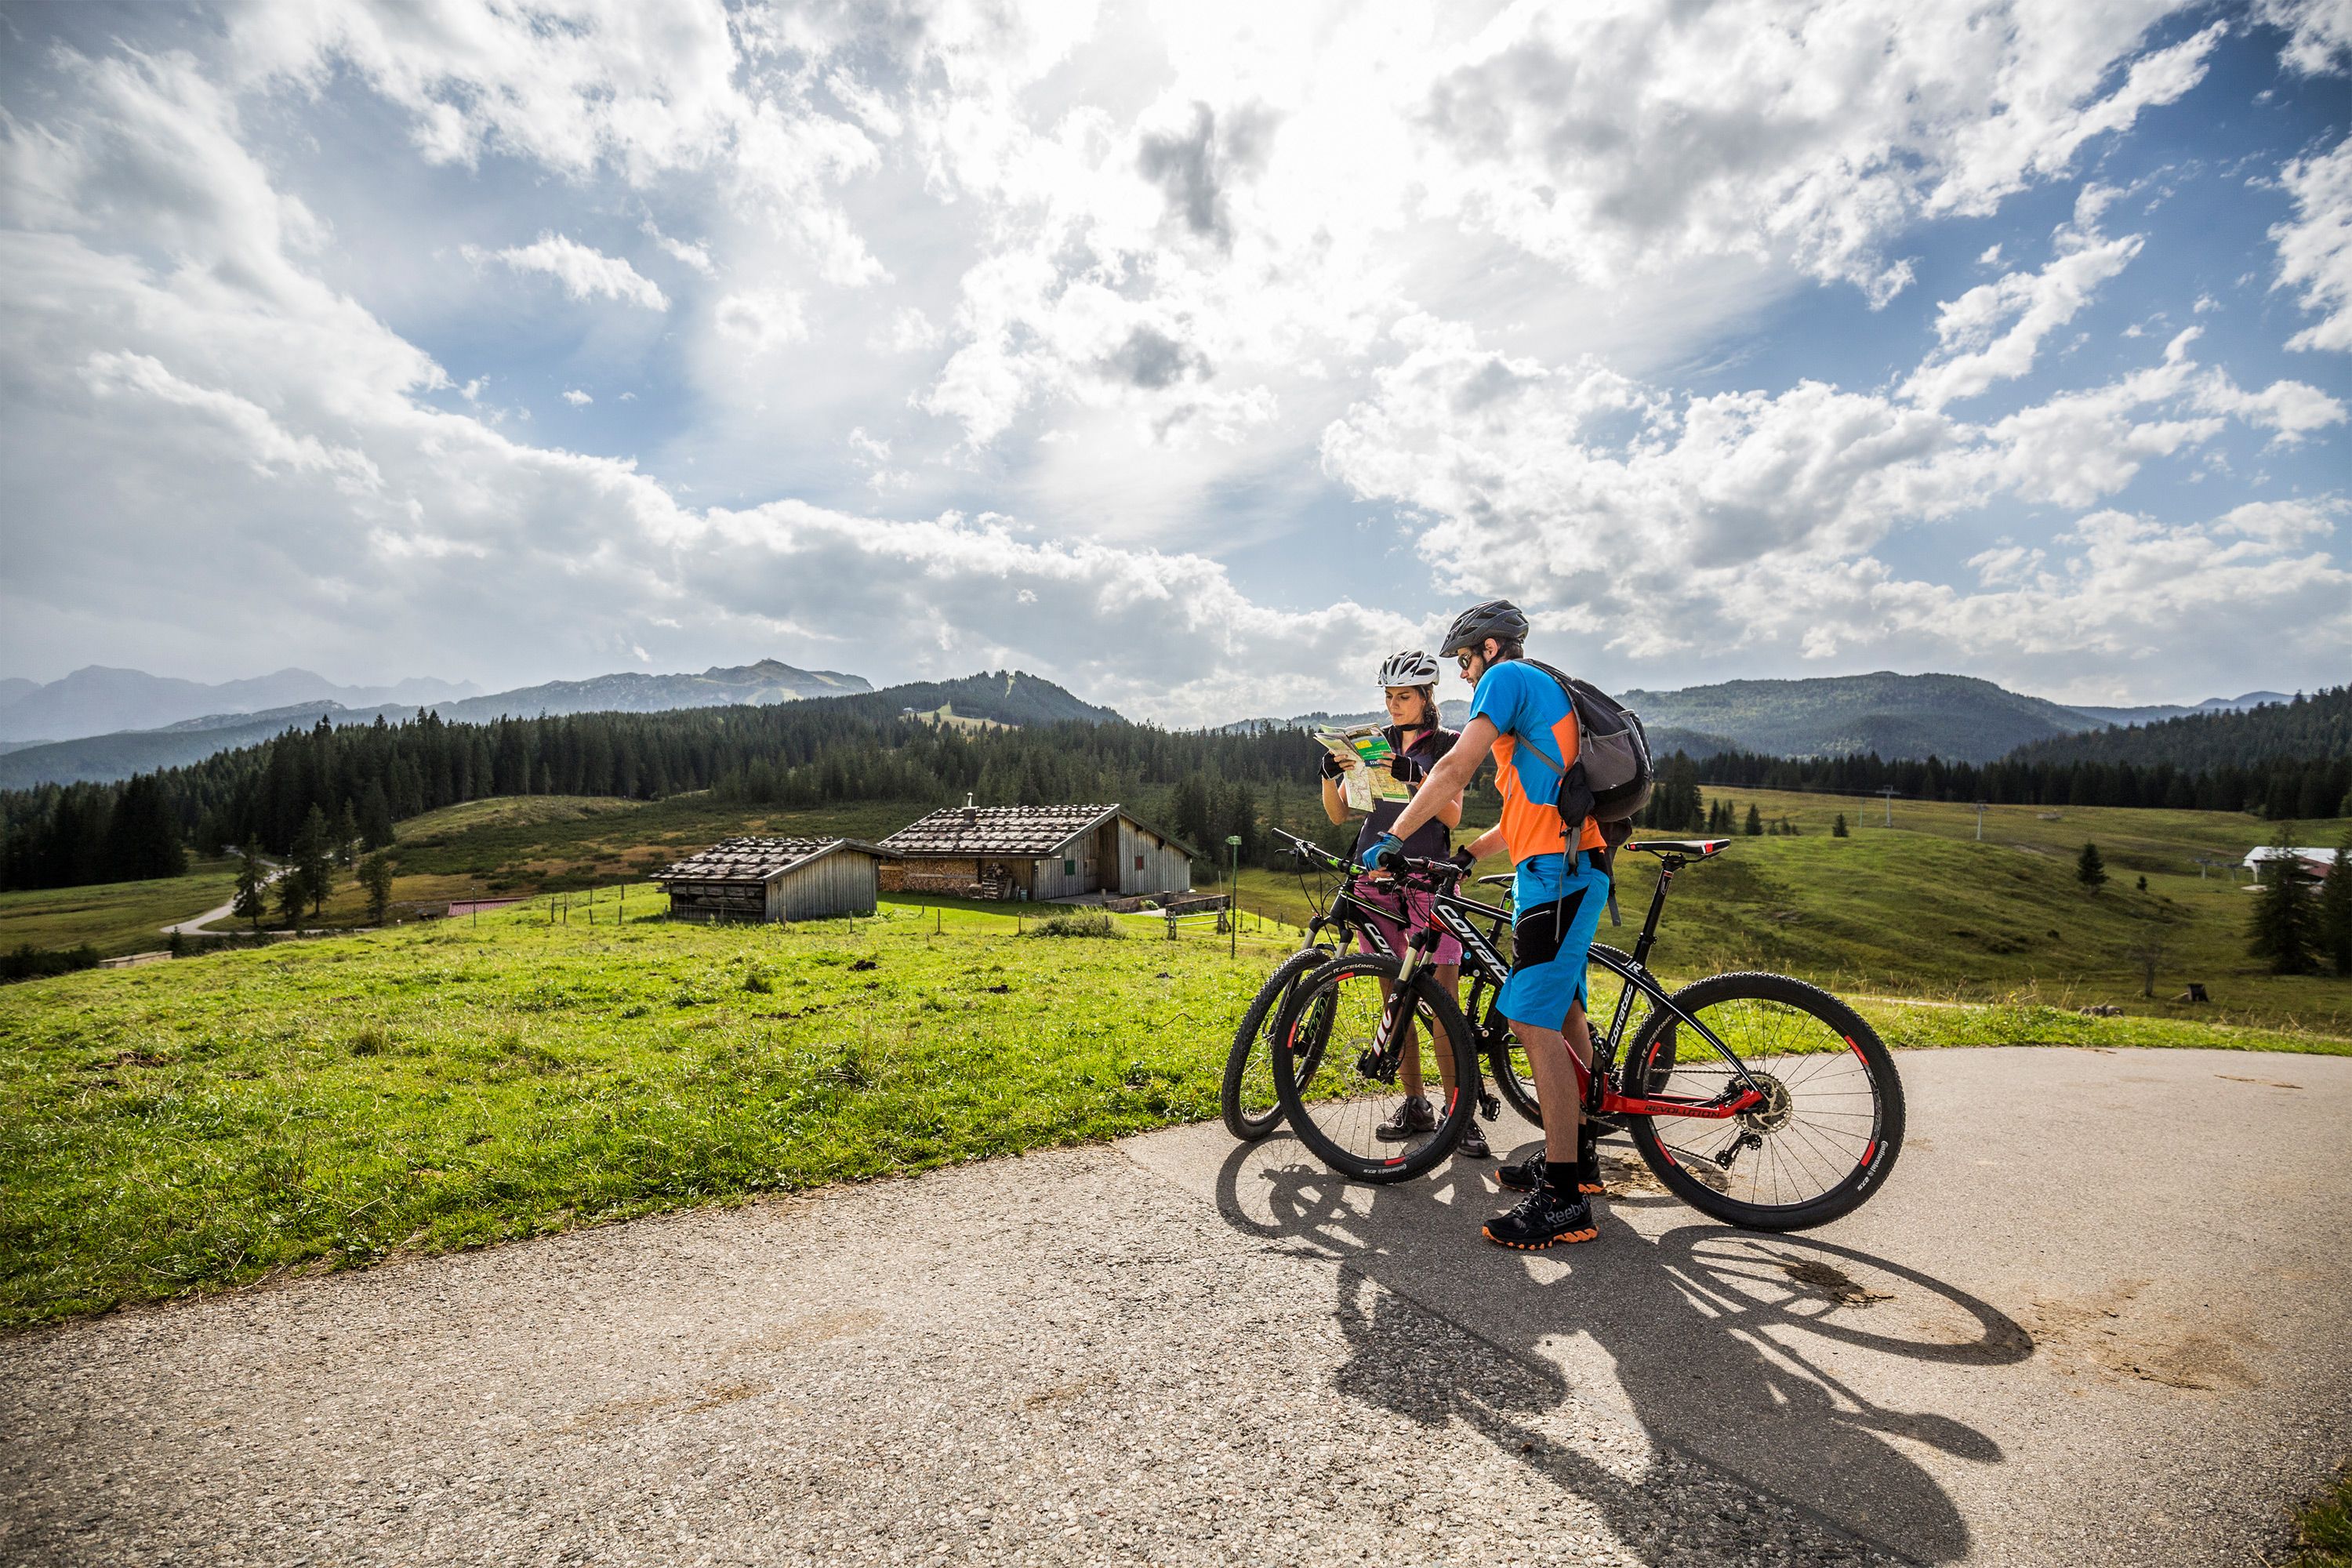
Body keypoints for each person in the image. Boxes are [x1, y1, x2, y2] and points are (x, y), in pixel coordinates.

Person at [1359, 601, 1610, 1250]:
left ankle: (1561, 1201)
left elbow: (1452, 769)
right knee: (1567, 1014)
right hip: (1551, 866)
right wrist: (1469, 854)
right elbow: (1526, 808)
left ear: (1491, 648)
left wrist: (1395, 836)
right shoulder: (1533, 691)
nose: (1464, 674)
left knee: (1530, 1019)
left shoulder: (1506, 680)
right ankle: (1576, 1163)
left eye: (1464, 660)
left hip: (1560, 872)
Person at [1318, 652, 1486, 1158]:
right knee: (1398, 1002)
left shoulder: (1451, 745)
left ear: (1428, 697)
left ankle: (1462, 1113)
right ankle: (1415, 1103)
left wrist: (1415, 774)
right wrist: (1329, 774)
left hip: (1430, 882)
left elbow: (1452, 814)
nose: (1394, 706)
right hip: (1377, 884)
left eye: (1404, 697)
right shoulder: (1374, 744)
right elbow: (1340, 815)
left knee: (1443, 1006)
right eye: (1389, 696)